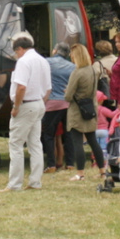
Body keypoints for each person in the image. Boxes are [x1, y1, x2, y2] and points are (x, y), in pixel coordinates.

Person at [0, 34, 51, 193]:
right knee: (35, 144)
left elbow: (21, 87)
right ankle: (35, 182)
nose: (16, 55)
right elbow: (48, 88)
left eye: (16, 52)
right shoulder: (43, 61)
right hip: (39, 103)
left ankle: (15, 184)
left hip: (26, 104)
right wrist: (41, 102)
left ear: (20, 49)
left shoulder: (23, 62)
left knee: (16, 144)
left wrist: (16, 106)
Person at [63, 43, 106, 181]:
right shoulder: (93, 70)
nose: (70, 56)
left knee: (77, 143)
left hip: (77, 111)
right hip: (90, 108)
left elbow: (68, 96)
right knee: (93, 141)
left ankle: (80, 173)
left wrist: (67, 92)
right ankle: (103, 171)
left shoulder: (77, 72)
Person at [42, 42, 74, 173]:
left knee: (48, 134)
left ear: (55, 50)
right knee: (69, 134)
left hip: (52, 103)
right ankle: (71, 163)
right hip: (68, 103)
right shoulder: (73, 66)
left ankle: (51, 164)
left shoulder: (46, 62)